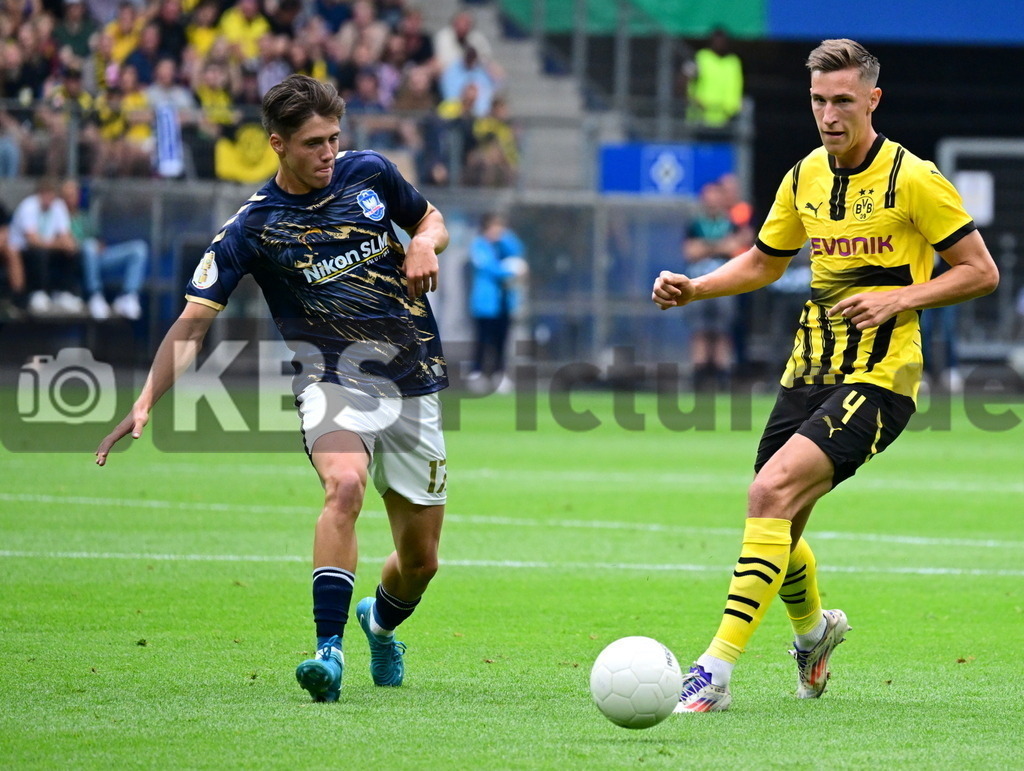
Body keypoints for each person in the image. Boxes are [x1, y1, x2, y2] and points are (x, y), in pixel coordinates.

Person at [652, 39, 998, 712]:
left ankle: (713, 674)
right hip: (807, 369)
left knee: (770, 492)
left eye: (843, 100)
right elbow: (762, 261)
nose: (829, 113)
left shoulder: (913, 179)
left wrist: (899, 298)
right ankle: (814, 633)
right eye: (818, 100)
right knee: (778, 519)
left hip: (880, 377)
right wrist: (696, 288)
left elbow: (980, 271)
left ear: (872, 99)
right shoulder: (805, 174)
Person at [96, 74, 451, 704]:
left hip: (414, 375)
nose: (328, 153)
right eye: (314, 143)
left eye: (334, 139)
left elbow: (429, 218)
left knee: (420, 562)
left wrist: (423, 243)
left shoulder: (369, 174)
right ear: (277, 144)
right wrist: (146, 399)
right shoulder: (253, 227)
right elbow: (194, 320)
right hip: (332, 376)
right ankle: (328, 652)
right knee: (344, 485)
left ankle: (378, 623)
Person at [680, 180, 747, 390]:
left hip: (724, 285)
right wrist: (721, 246)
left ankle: (722, 377)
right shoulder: (695, 225)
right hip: (696, 284)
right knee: (699, 330)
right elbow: (691, 252)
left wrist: (707, 247)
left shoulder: (732, 223)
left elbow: (738, 248)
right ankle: (699, 377)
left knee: (722, 330)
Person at [61, 178, 148, 320]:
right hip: (78, 260)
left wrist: (99, 245)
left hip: (96, 257)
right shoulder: (59, 217)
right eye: (68, 195)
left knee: (139, 248)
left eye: (74, 194)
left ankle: (128, 295)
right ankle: (95, 295)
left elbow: (98, 238)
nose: (71, 199)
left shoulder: (84, 217)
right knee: (89, 246)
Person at [467, 212, 526, 392]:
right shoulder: (479, 246)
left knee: (502, 341)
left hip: (504, 303)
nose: (498, 231)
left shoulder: (504, 244)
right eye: (495, 227)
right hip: (485, 305)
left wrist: (505, 236)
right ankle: (477, 373)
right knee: (483, 340)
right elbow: (489, 268)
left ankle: (499, 375)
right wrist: (511, 272)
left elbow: (518, 250)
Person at [8, 177, 85, 316]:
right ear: (39, 194)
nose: (48, 198)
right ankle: (37, 294)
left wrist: (68, 243)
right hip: (24, 251)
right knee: (40, 252)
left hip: (48, 249)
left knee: (72, 251)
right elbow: (32, 240)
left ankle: (64, 293)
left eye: (51, 194)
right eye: (45, 194)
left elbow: (65, 235)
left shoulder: (58, 206)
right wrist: (58, 244)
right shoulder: (28, 206)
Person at [682, 27, 743, 128]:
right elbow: (684, 78)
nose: (719, 44)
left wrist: (733, 107)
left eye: (722, 41)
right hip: (701, 119)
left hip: (726, 119)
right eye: (717, 41)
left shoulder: (733, 62)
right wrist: (692, 100)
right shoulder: (701, 57)